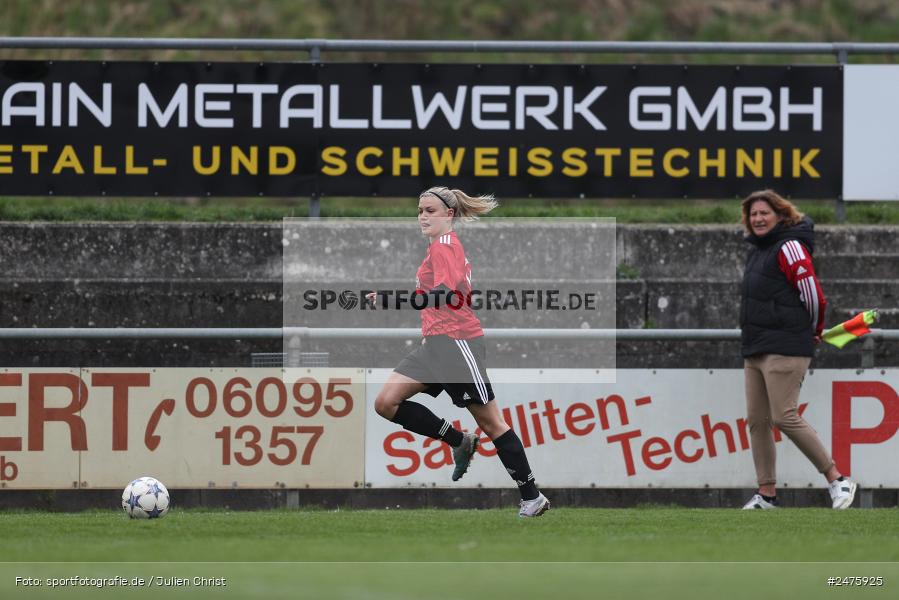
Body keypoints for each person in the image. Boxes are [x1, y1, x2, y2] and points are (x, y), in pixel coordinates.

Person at [370, 186, 550, 518]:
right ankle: (459, 441)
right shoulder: (436, 248)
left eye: (430, 211)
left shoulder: (445, 246)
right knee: (386, 402)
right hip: (435, 346)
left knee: (493, 423)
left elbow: (445, 294)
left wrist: (391, 299)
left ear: (449, 215)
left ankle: (532, 496)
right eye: (420, 210)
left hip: (456, 344)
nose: (422, 216)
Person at [739, 189, 857, 510]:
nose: (758, 219)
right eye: (753, 215)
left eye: (764, 213)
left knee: (785, 416)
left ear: (780, 215)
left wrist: (814, 331)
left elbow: (813, 295)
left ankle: (838, 479)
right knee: (757, 420)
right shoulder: (757, 251)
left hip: (787, 345)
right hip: (756, 349)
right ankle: (767, 494)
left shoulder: (790, 246)